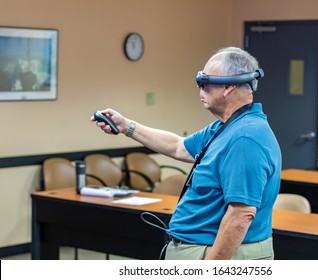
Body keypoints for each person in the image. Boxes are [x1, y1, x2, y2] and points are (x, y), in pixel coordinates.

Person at [91, 46, 282, 260]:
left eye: (204, 82)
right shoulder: (226, 127)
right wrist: (126, 126)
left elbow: (241, 214)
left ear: (227, 86)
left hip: (217, 254)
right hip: (198, 248)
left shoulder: (245, 138)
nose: (200, 90)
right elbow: (178, 146)